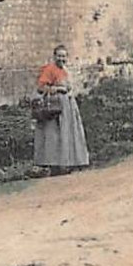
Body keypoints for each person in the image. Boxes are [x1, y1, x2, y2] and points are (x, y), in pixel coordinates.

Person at [33, 45, 91, 175]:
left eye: (64, 56)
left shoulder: (65, 70)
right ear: (54, 57)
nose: (61, 59)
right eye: (59, 56)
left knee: (67, 134)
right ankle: (54, 165)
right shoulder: (49, 69)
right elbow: (41, 88)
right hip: (55, 108)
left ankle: (68, 162)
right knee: (54, 136)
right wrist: (58, 89)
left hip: (68, 107)